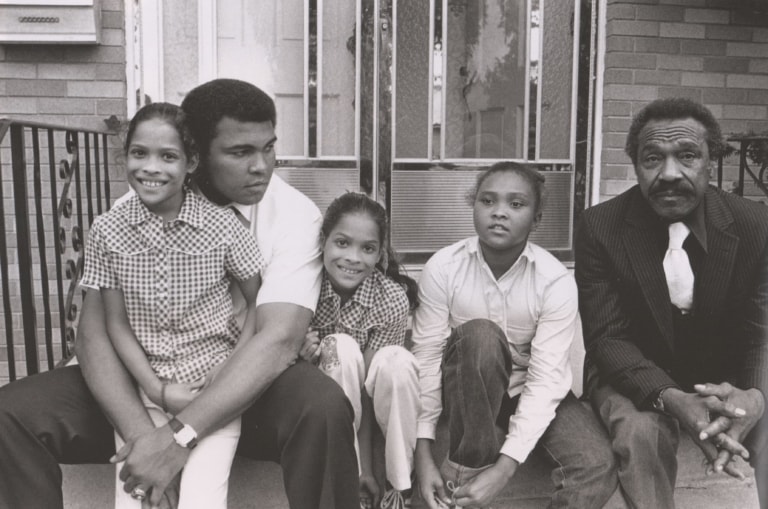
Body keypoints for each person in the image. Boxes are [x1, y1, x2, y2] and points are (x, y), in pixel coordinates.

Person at [0, 79, 360, 509]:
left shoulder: (295, 214)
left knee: (322, 407)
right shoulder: (131, 211)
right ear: (197, 156)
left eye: (268, 147)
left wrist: (179, 437)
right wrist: (144, 440)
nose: (262, 166)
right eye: (241, 152)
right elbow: (94, 335)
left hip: (243, 385)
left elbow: (278, 340)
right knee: (11, 413)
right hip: (146, 383)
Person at [574, 97, 768, 509]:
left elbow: (760, 331)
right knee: (642, 432)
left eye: (687, 156)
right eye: (652, 159)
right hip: (630, 374)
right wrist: (672, 399)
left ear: (709, 161)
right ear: (635, 165)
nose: (669, 174)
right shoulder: (601, 227)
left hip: (719, 373)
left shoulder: (754, 225)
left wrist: (754, 396)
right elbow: (607, 338)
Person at [79, 102, 263, 508]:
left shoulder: (222, 226)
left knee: (201, 500)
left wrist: (230, 368)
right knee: (137, 496)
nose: (151, 168)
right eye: (139, 153)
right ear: (124, 156)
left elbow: (257, 301)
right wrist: (156, 389)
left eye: (168, 156)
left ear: (191, 162)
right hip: (146, 389)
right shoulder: (107, 230)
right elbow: (116, 325)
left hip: (212, 395)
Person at [411, 162, 618, 509]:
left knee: (596, 464)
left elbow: (547, 378)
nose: (499, 213)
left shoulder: (554, 281)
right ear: (473, 206)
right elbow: (427, 358)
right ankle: (461, 477)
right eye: (487, 201)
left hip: (528, 388)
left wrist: (505, 468)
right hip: (467, 387)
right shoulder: (443, 267)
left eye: (516, 204)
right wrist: (423, 452)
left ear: (536, 219)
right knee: (481, 336)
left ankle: (461, 482)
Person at [299, 192, 420, 509]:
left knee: (398, 361)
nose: (353, 258)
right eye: (342, 243)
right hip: (316, 404)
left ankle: (400, 485)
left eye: (367, 248)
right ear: (324, 241)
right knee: (338, 346)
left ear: (380, 254)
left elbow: (364, 395)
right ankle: (345, 477)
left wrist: (370, 467)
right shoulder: (301, 287)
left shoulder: (391, 298)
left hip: (372, 401)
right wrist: (301, 357)